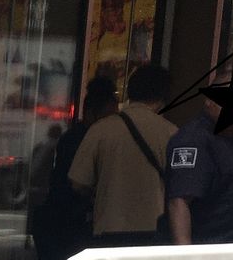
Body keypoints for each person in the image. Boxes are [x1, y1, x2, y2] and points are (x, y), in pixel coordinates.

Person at [28, 77, 117, 260]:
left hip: (56, 221)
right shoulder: (85, 139)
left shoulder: (74, 137)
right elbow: (77, 184)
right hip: (67, 224)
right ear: (93, 112)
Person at [69, 65, 177, 246]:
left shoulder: (101, 129)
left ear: (130, 92)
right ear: (162, 98)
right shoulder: (172, 133)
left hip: (108, 229)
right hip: (154, 231)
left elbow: (78, 183)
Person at [165, 89, 233, 245]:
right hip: (209, 245)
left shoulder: (228, 136)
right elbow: (179, 202)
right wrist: (185, 256)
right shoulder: (193, 139)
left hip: (232, 245)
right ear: (209, 101)